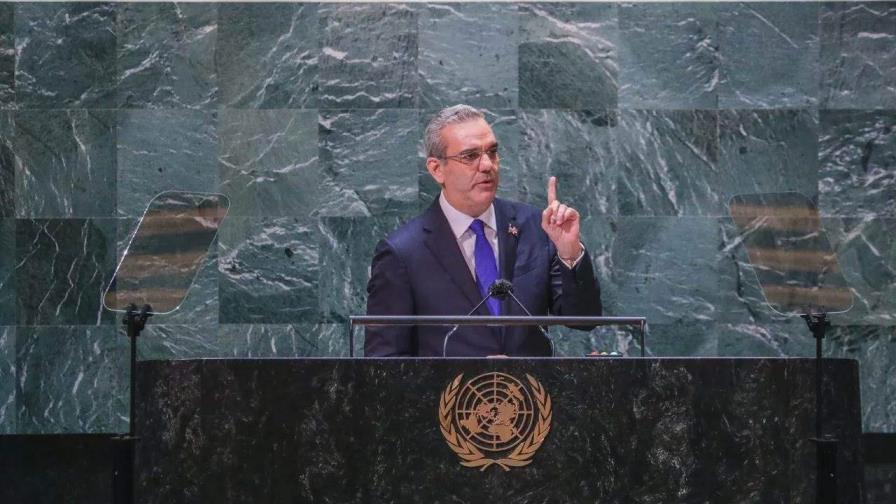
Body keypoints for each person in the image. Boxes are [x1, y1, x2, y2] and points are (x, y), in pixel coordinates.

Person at [365, 105, 602, 357]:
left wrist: (569, 252)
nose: (487, 165)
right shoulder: (403, 252)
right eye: (470, 156)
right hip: (454, 396)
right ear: (437, 169)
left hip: (532, 394)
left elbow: (583, 319)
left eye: (492, 152)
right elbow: (383, 363)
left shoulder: (535, 226)